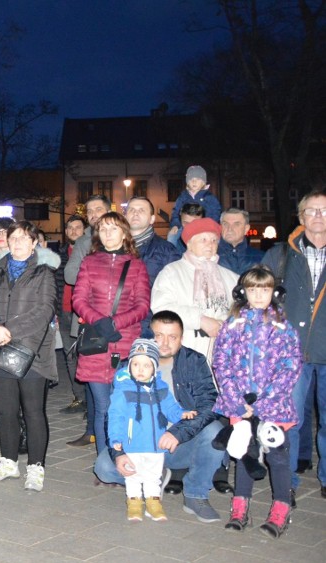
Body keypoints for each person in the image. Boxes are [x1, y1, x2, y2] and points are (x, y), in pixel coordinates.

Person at [95, 310, 226, 522]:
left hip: (177, 442)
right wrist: (117, 453)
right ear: (150, 336)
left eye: (172, 337)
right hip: (137, 442)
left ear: (181, 338)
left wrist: (178, 433)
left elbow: (210, 403)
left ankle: (195, 494)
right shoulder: (130, 366)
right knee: (104, 468)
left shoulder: (194, 361)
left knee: (215, 432)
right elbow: (114, 415)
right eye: (159, 335)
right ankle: (158, 474)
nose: (164, 343)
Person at [213, 265, 301, 537]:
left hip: (274, 407)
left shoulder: (283, 327)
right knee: (244, 454)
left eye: (265, 289)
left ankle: (281, 508)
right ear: (244, 292)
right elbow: (221, 361)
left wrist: (263, 401)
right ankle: (240, 507)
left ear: (274, 291)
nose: (259, 295)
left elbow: (292, 365)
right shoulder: (233, 325)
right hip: (240, 404)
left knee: (277, 456)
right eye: (253, 289)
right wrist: (235, 397)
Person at [0, 220, 59, 491]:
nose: (17, 243)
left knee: (34, 411)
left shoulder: (44, 272)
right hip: (0, 349)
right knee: (6, 411)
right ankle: (9, 462)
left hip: (33, 351)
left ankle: (36, 467)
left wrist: (7, 330)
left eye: (24, 238)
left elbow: (44, 310)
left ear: (34, 242)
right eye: (13, 238)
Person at [262, 189, 326, 502]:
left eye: (324, 210)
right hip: (290, 355)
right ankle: (287, 484)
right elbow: (258, 297)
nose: (318, 216)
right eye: (312, 210)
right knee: (289, 420)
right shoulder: (280, 254)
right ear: (300, 218)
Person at [72, 211, 151, 457]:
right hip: (96, 343)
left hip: (126, 343)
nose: (107, 233)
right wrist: (101, 322)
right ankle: (106, 462)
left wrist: (115, 323)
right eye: (103, 229)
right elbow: (79, 299)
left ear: (124, 233)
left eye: (113, 228)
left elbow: (143, 305)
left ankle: (125, 457)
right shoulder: (89, 262)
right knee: (103, 407)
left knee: (124, 406)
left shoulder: (136, 265)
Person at [108, 339, 189, 522]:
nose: (140, 369)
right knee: (133, 476)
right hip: (133, 444)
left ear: (154, 367)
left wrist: (182, 415)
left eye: (146, 365)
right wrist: (116, 440)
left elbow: (171, 408)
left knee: (153, 477)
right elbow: (115, 417)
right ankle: (134, 503)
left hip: (156, 445)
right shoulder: (123, 389)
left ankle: (153, 504)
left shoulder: (161, 388)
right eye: (135, 364)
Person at [152, 218, 239, 359]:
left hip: (223, 352)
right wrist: (200, 320)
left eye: (214, 240)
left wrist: (226, 324)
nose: (210, 245)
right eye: (203, 240)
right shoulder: (172, 272)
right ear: (189, 244)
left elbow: (240, 312)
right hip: (186, 349)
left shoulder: (232, 277)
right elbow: (162, 308)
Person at [64, 196, 112, 447]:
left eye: (99, 210)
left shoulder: (122, 239)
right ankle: (92, 430)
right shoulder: (84, 241)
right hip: (90, 321)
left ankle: (114, 434)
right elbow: (70, 274)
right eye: (90, 211)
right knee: (94, 380)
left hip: (118, 321)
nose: (94, 214)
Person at [124, 196, 181, 337]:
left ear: (152, 219)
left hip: (149, 327)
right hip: (119, 326)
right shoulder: (113, 248)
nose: (135, 213)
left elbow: (176, 292)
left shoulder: (167, 251)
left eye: (141, 210)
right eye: (131, 210)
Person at [58, 215, 87, 414]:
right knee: (70, 356)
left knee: (86, 355)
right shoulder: (59, 255)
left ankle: (91, 400)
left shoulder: (89, 253)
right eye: (70, 228)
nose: (74, 231)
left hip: (82, 313)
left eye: (78, 227)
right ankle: (79, 397)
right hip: (64, 312)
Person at [168, 165, 222, 243]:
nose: (194, 182)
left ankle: (214, 252)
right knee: (171, 236)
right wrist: (175, 225)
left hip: (205, 227)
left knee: (215, 238)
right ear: (187, 182)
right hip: (185, 226)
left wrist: (208, 225)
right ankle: (171, 253)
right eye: (191, 179)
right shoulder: (183, 196)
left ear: (203, 182)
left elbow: (215, 212)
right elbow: (176, 212)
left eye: (198, 179)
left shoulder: (209, 197)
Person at [218, 208, 264, 275]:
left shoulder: (261, 258)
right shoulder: (211, 257)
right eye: (225, 224)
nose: (230, 229)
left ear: (246, 229)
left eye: (236, 224)